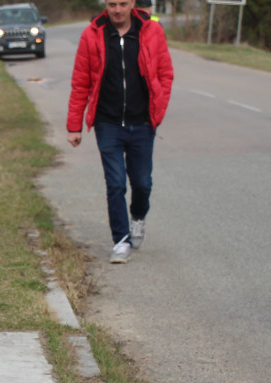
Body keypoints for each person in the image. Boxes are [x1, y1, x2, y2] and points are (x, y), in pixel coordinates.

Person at [66, 0, 173, 264]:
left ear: (132, 3)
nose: (117, 10)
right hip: (107, 123)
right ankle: (121, 240)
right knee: (115, 183)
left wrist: (158, 111)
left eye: (123, 3)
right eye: (112, 3)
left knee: (142, 183)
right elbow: (80, 82)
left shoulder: (151, 30)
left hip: (142, 122)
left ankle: (138, 217)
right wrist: (74, 126)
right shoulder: (92, 34)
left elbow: (165, 73)